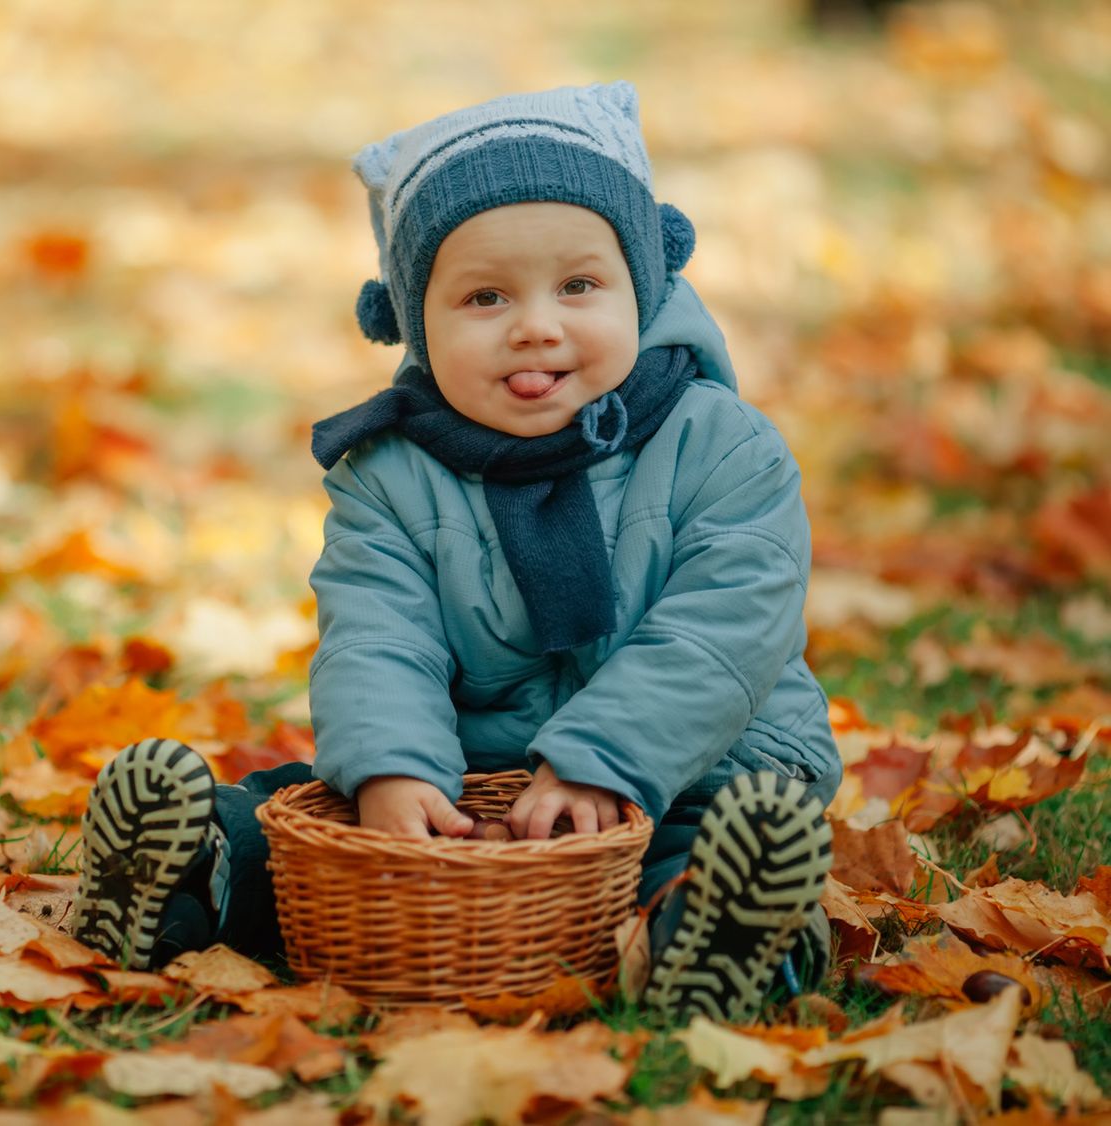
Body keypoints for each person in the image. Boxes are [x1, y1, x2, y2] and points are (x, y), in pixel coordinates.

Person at [71, 82, 841, 1022]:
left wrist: (604, 758)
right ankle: (198, 873)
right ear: (414, 323)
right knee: (321, 822)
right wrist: (395, 770)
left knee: (721, 832)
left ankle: (724, 938)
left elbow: (727, 630)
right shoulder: (390, 473)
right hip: (470, 779)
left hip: (696, 758)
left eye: (579, 286)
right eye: (485, 296)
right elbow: (376, 636)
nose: (537, 324)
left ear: (644, 283)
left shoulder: (721, 444)